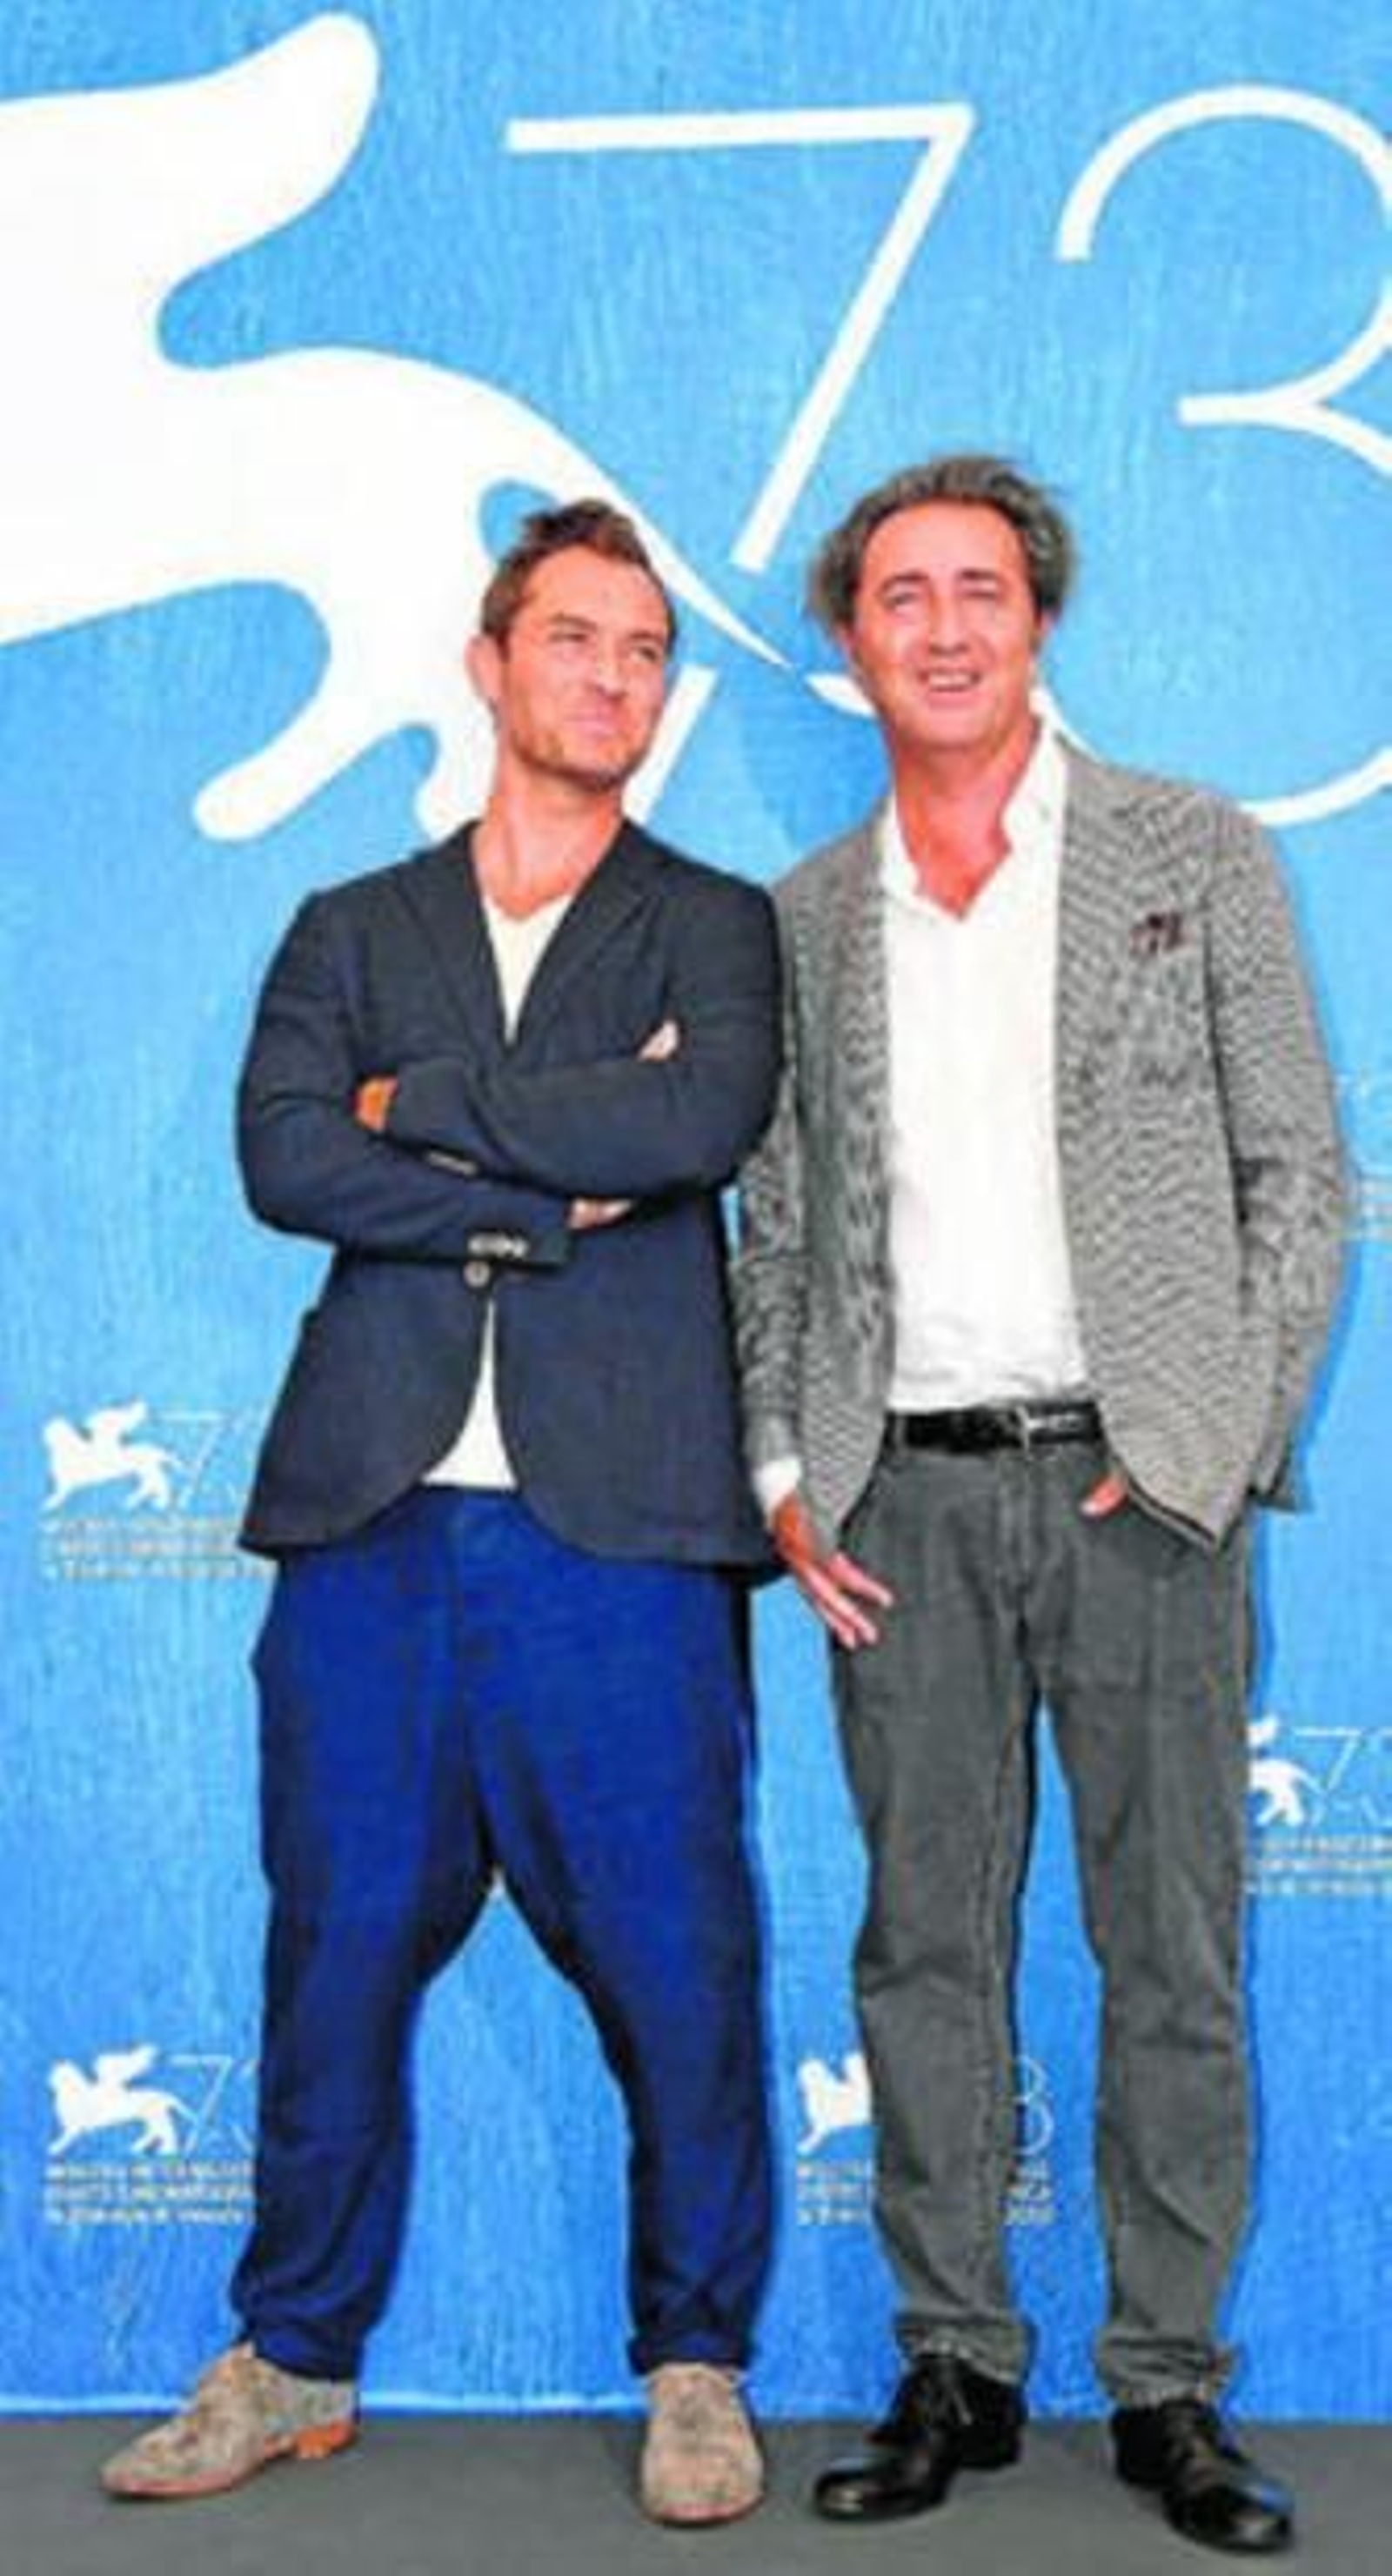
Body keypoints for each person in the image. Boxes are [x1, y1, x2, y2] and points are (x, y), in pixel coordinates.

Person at [101, 499, 780, 2526]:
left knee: (676, 1962)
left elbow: (693, 1117)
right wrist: (537, 1202)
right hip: (371, 1523)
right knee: (329, 1954)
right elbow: (283, 1155)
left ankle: (695, 2365)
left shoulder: (713, 924)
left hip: (620, 1531)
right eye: (572, 636)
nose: (609, 676)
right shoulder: (350, 925)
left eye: (643, 649)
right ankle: (290, 2355)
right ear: (490, 665)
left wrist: (421, 1107)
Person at [733, 456, 1344, 2555]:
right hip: (899, 1501)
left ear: (1038, 617)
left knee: (1166, 1952)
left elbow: (1297, 1173)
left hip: (1139, 1495)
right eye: (897, 593)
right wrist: (787, 1469)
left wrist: (1203, 1444)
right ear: (848, 642)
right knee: (921, 1947)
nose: (940, 626)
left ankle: (1165, 2381)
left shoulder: (1194, 849)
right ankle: (953, 2359)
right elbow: (776, 1227)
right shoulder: (805, 916)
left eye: (976, 587)